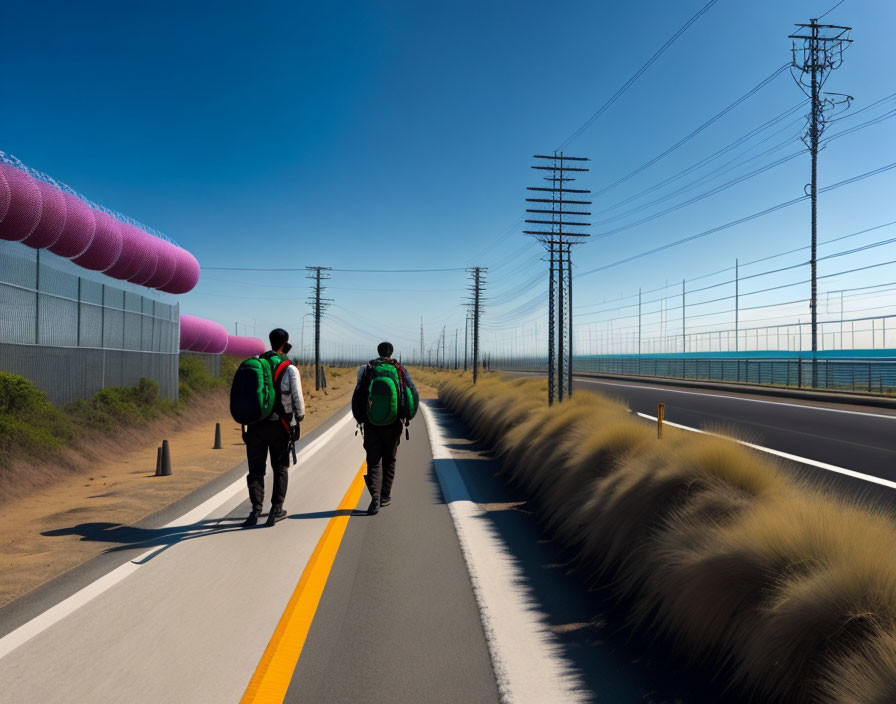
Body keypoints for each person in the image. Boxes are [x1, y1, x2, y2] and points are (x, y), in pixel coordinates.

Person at [242, 328, 305, 527]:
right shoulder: (289, 368)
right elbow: (298, 400)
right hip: (280, 426)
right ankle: (276, 509)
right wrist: (297, 420)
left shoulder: (257, 364)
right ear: (285, 342)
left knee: (256, 469)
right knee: (280, 467)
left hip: (255, 425)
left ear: (270, 341)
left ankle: (255, 510)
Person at [352, 341, 419, 515]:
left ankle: (374, 499)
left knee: (373, 461)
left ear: (378, 351)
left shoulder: (367, 369)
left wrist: (360, 418)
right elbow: (411, 392)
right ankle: (385, 496)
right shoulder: (399, 370)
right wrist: (406, 416)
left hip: (371, 423)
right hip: (394, 422)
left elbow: (358, 394)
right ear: (391, 352)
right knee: (390, 459)